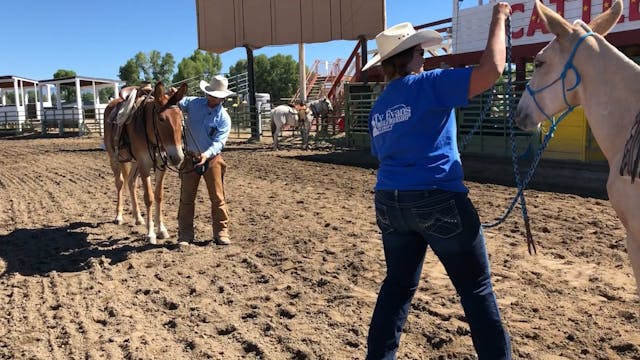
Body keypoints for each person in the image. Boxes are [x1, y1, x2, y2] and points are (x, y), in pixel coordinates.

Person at [362, 3, 512, 359]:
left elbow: (380, 152)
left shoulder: (379, 106)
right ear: (410, 57)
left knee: (397, 285)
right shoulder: (431, 84)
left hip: (389, 201)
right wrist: (498, 19)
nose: (425, 57)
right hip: (437, 196)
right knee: (476, 290)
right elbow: (492, 70)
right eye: (421, 52)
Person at [177, 75, 234, 246]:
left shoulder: (224, 118)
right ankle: (185, 235)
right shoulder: (193, 103)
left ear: (223, 97)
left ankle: (221, 232)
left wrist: (206, 154)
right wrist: (173, 94)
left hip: (212, 160)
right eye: (211, 94)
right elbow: (177, 101)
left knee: (217, 197)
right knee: (186, 198)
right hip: (190, 158)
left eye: (216, 96)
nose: (212, 98)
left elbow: (219, 142)